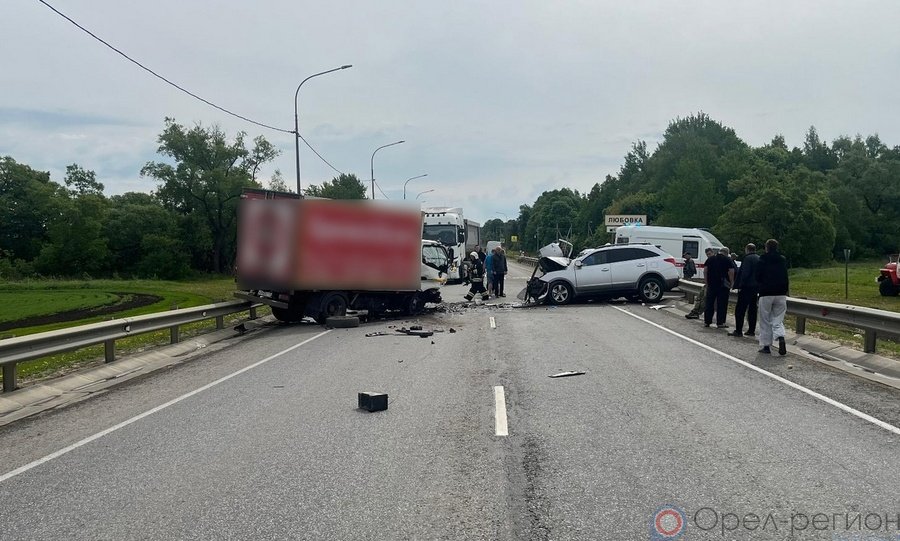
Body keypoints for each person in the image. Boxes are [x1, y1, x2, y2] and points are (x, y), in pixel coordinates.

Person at [755, 238, 789, 355]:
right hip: (781, 292)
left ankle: (766, 346)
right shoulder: (782, 259)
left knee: (765, 319)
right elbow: (785, 276)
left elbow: (757, 275)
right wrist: (786, 290)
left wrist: (759, 286)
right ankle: (780, 336)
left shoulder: (762, 259)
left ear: (766, 248)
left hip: (766, 292)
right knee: (778, 318)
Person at [729, 243, 760, 338]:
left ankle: (738, 330)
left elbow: (745, 273)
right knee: (752, 310)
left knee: (740, 309)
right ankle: (751, 330)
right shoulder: (759, 258)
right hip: (755, 288)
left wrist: (740, 285)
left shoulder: (747, 258)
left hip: (746, 287)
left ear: (747, 249)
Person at [704, 246, 736, 329]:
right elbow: (731, 271)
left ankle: (707, 321)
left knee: (709, 303)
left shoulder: (711, 259)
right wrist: (732, 283)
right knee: (722, 304)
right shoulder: (727, 260)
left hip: (711, 284)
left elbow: (705, 270)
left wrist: (706, 282)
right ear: (727, 253)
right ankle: (720, 322)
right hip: (723, 286)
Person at [685, 248, 716, 319]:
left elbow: (706, 271)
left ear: (712, 253)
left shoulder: (715, 260)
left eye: (709, 254)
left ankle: (696, 312)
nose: (708, 256)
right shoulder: (709, 260)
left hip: (711, 284)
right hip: (708, 283)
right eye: (707, 254)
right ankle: (695, 311)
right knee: (699, 297)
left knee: (704, 300)